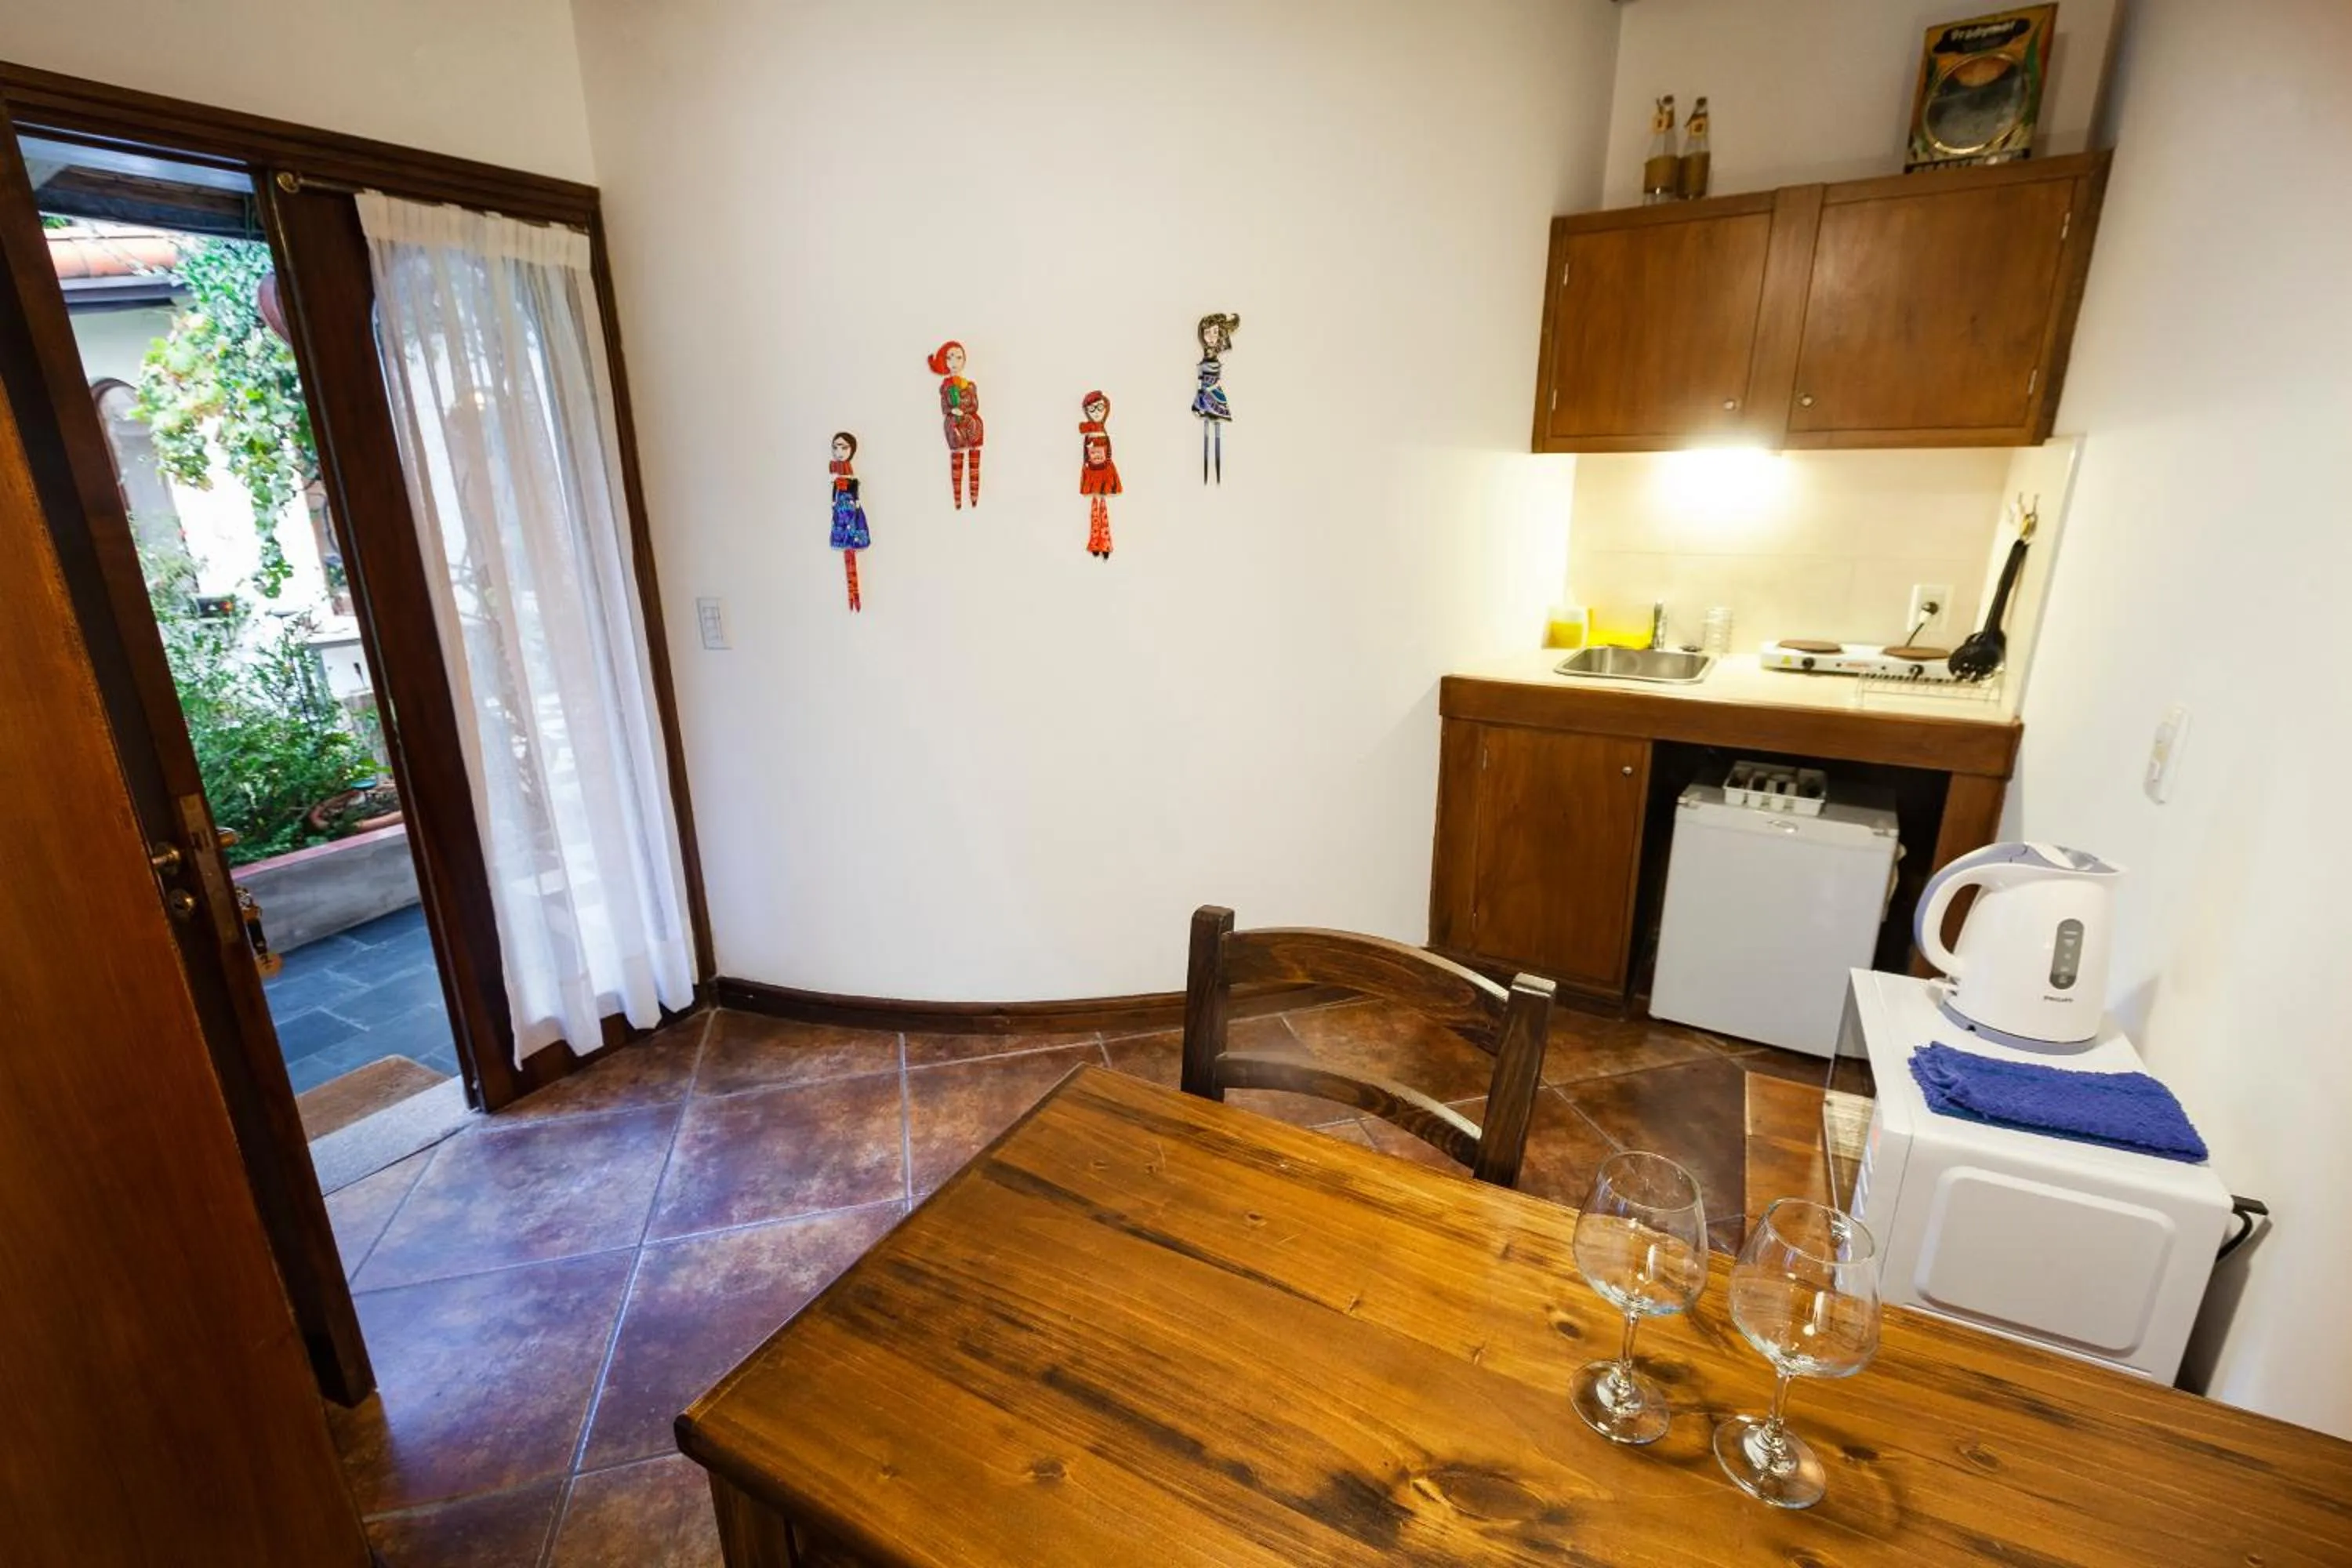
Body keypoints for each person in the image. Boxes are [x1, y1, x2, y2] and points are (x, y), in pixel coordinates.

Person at [927, 340, 984, 507]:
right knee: (957, 457)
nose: (955, 362)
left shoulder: (970, 385)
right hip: (955, 425)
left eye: (959, 357)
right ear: (944, 362)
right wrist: (953, 411)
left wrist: (965, 411)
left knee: (974, 457)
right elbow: (945, 407)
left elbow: (975, 405)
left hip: (972, 423)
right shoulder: (945, 387)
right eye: (950, 358)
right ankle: (958, 499)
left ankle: (974, 497)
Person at [1191, 312, 1238, 484]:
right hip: (1204, 394)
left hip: (1214, 394)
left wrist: (1208, 389)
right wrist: (1199, 395)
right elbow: (1199, 380)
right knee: (1206, 428)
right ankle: (1206, 469)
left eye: (1215, 332)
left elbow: (1218, 380)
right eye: (1207, 332)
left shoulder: (1216, 361)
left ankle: (1216, 471)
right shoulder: (1203, 360)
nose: (1210, 337)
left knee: (1216, 426)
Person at [829, 431, 869, 611]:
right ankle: (852, 594)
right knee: (847, 552)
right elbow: (834, 494)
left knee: (851, 550)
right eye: (836, 447)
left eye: (844, 447)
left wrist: (856, 504)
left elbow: (855, 492)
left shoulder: (851, 478)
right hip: (840, 513)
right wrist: (834, 503)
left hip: (852, 513)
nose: (839, 451)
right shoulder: (836, 476)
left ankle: (856, 594)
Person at [1078, 390, 1120, 559]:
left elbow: (1109, 452)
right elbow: (1085, 454)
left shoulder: (1103, 434)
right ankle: (1095, 542)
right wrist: (1088, 464)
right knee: (1095, 506)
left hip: (1103, 471)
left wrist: (1106, 462)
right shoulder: (1089, 434)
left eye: (1100, 407)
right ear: (1087, 411)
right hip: (1092, 471)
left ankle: (1105, 542)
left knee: (1102, 504)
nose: (1096, 411)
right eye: (1092, 408)